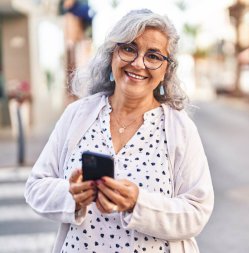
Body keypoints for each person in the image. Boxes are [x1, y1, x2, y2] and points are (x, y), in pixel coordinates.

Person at [25, 9, 214, 253]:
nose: (138, 63)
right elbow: (36, 187)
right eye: (129, 48)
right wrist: (71, 195)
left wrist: (138, 202)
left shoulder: (180, 128)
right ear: (112, 54)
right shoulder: (77, 114)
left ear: (166, 69)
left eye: (153, 56)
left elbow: (197, 211)